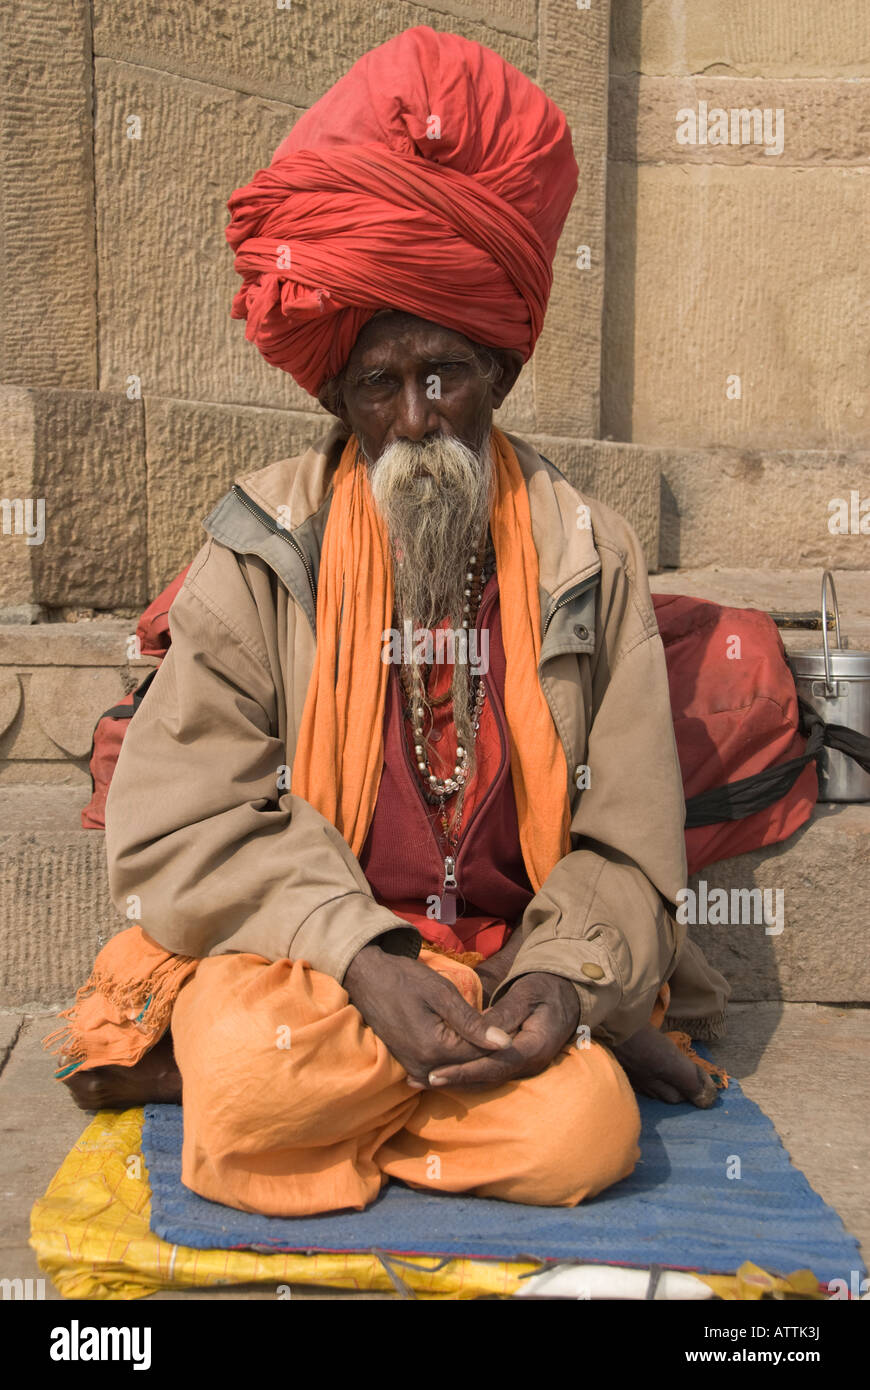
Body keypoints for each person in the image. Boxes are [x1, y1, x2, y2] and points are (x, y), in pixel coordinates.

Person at [48, 26, 729, 1217]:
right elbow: (183, 814)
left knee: (580, 1136)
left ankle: (410, 1089)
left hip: (512, 957)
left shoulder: (590, 553)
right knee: (261, 1079)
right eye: (380, 385)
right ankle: (380, 1087)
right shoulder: (264, 546)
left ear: (500, 374)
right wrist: (366, 957)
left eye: (444, 375)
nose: (415, 420)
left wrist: (565, 984)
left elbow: (628, 838)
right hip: (314, 962)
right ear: (340, 397)